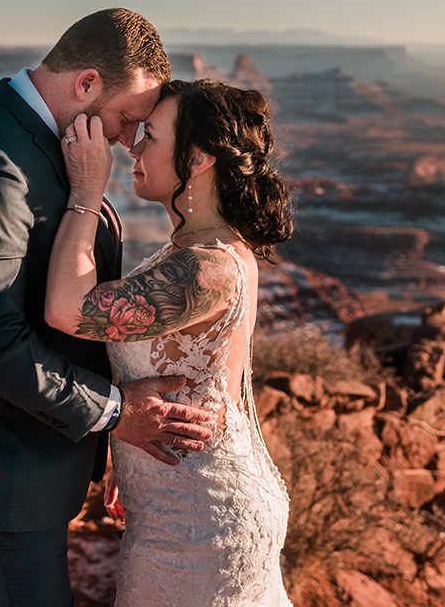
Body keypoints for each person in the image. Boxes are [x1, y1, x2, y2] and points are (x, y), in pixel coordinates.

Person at [0, 8, 217, 607]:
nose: (127, 140)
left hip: (26, 464)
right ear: (87, 84)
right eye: (127, 117)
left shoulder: (47, 144)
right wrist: (117, 414)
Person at [45, 77, 295, 606]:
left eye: (151, 136)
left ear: (199, 157)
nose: (133, 147)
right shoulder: (198, 252)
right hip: (177, 501)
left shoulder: (206, 268)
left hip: (200, 522)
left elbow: (68, 311)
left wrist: (87, 193)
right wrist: (124, 450)